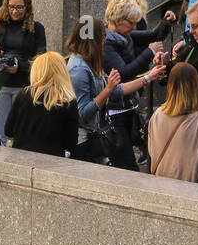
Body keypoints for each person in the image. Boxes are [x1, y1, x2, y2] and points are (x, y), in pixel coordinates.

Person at [67, 17, 164, 164]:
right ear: (92, 39)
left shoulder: (91, 61)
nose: (104, 41)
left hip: (96, 138)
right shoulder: (79, 69)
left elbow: (117, 89)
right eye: (103, 36)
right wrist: (107, 90)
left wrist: (149, 77)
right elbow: (83, 114)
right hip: (85, 143)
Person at [104, 0, 165, 170]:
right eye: (131, 23)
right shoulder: (107, 44)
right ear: (117, 20)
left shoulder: (125, 35)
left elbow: (153, 35)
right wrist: (149, 53)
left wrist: (166, 22)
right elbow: (123, 73)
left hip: (128, 108)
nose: (134, 27)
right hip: (114, 114)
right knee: (127, 166)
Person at [0, 0, 47, 135]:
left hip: (24, 85)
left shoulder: (37, 28)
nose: (15, 11)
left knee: (22, 132)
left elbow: (41, 59)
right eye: (12, 7)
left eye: (19, 7)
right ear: (6, 6)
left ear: (27, 7)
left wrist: (20, 66)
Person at [146, 62, 198, 181]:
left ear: (170, 85)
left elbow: (152, 152)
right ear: (196, 87)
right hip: (193, 190)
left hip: (161, 186)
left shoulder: (156, 115)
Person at [3, 51, 80, 155]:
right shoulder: (68, 100)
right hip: (52, 162)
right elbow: (71, 143)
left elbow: (8, 130)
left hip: (21, 157)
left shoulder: (24, 94)